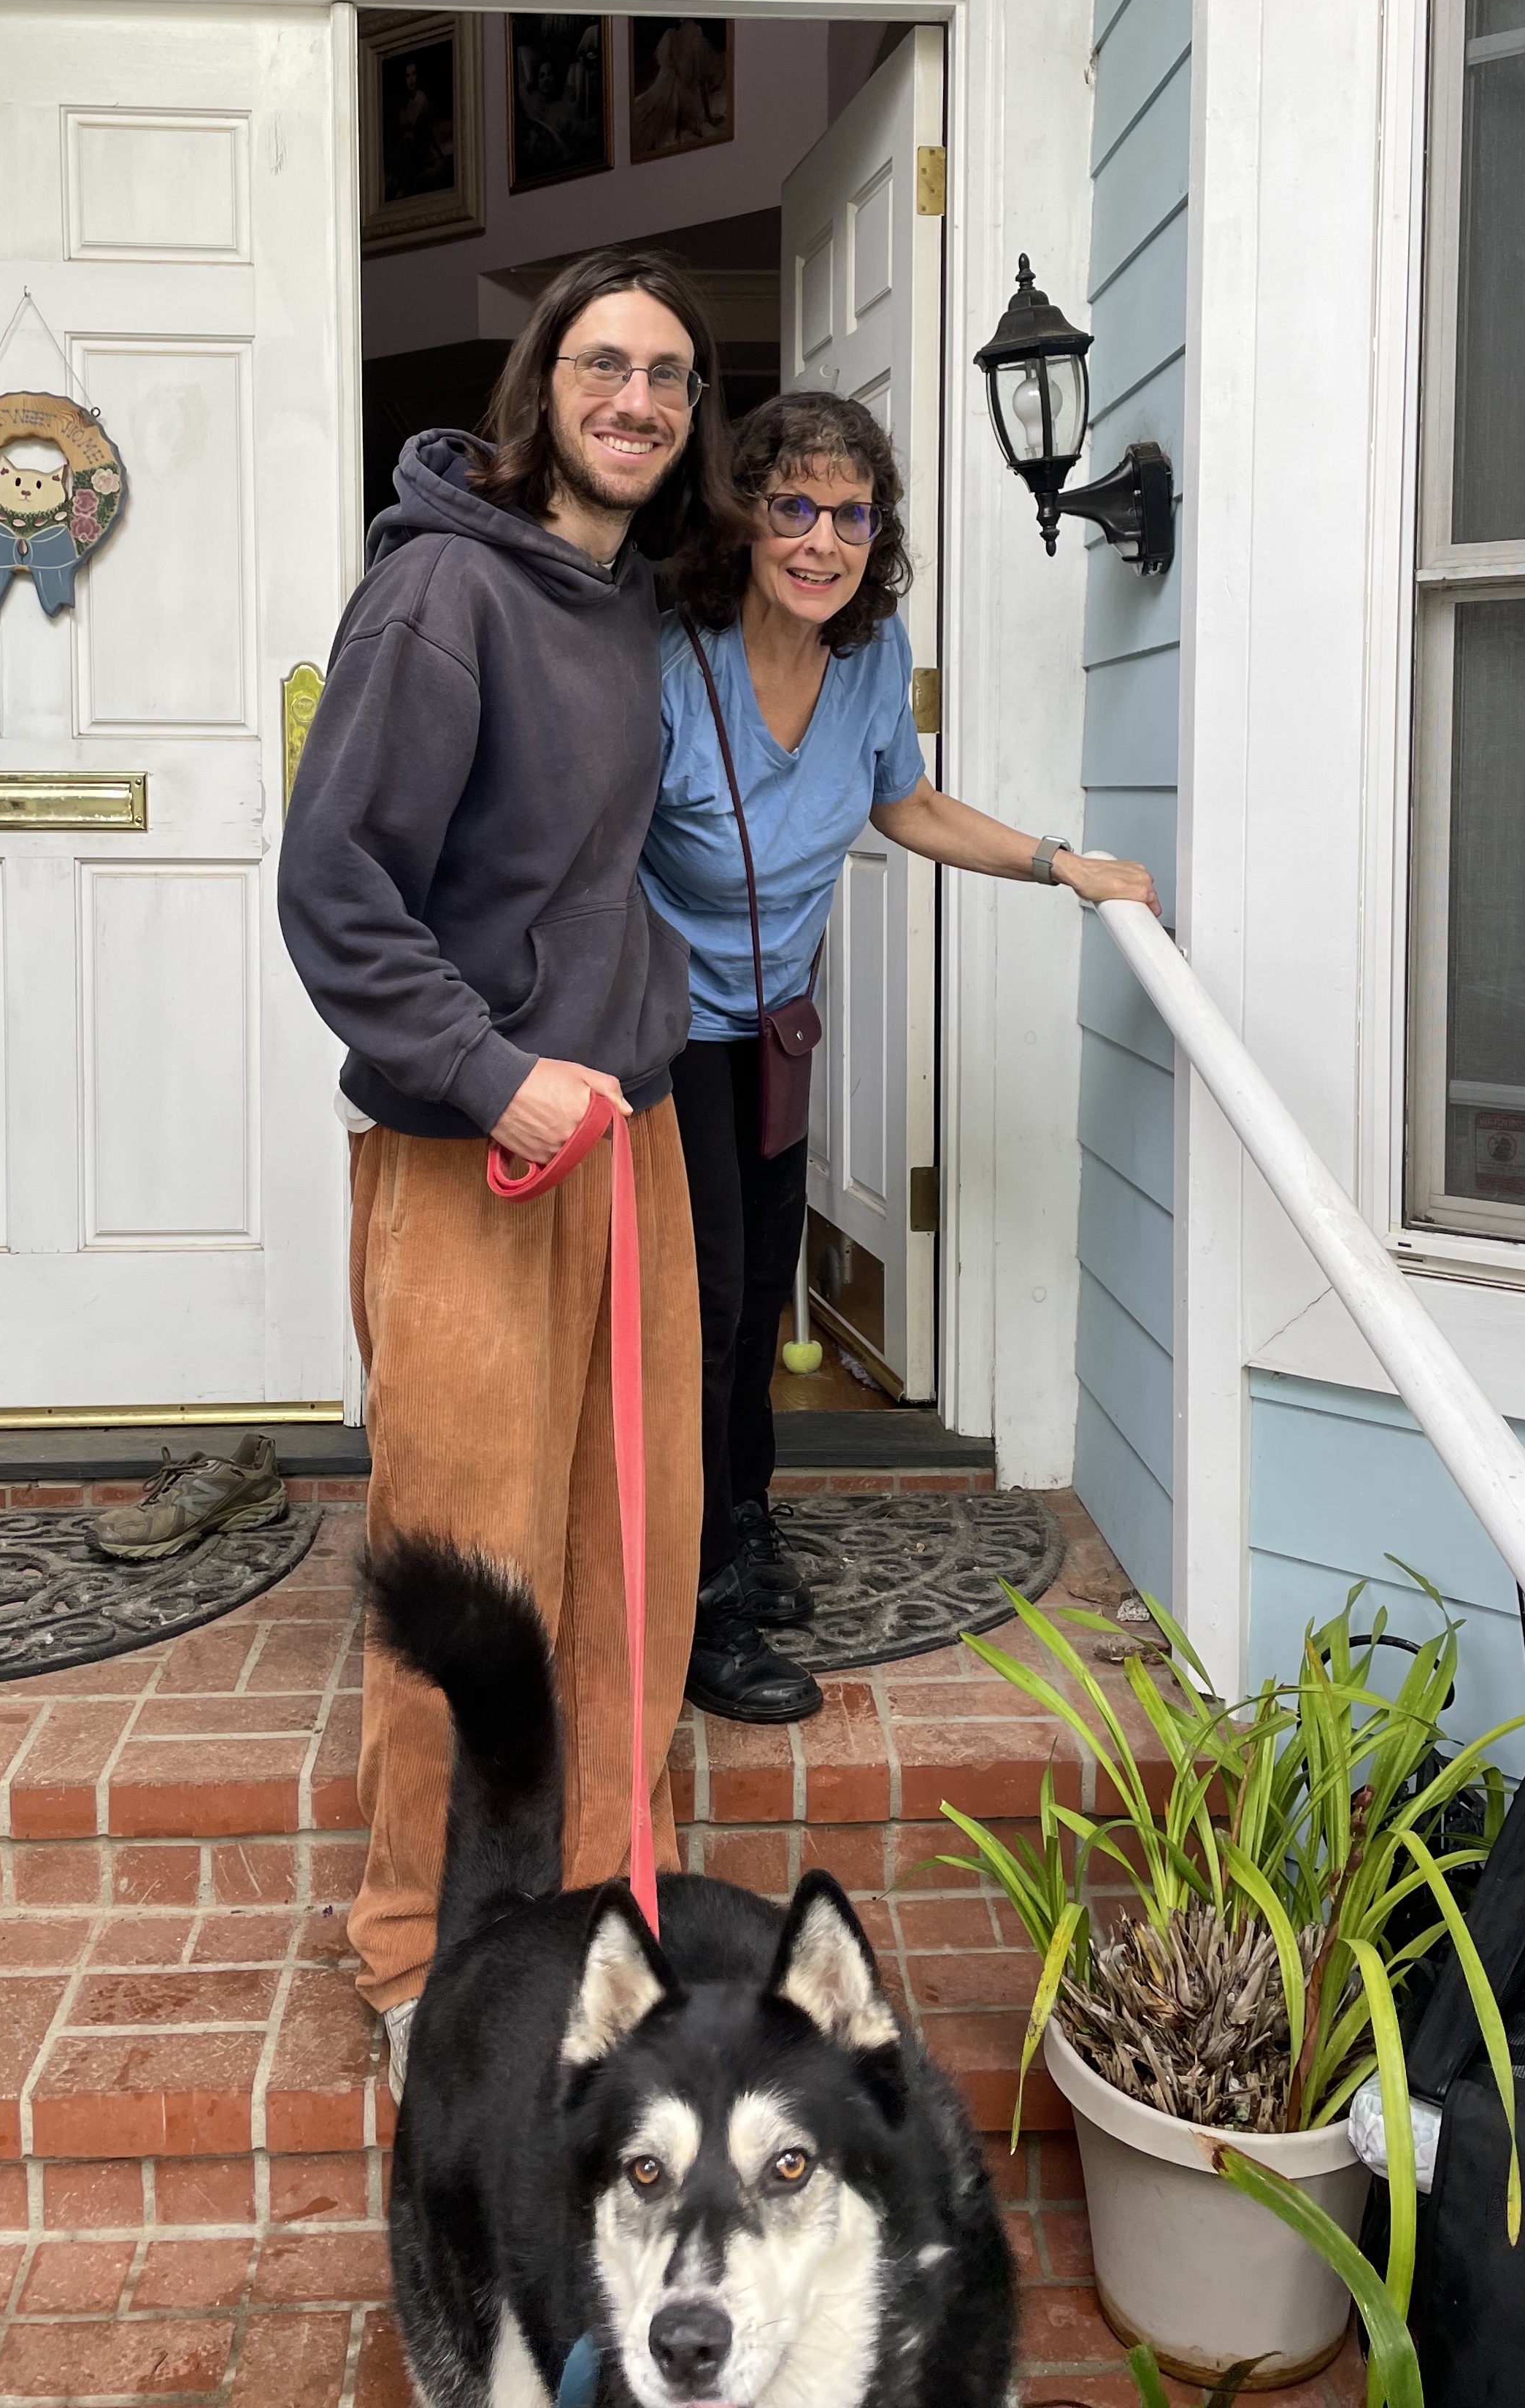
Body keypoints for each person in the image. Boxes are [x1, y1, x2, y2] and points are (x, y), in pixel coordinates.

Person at [277, 248, 737, 2085]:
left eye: (672, 376)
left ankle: (601, 1920)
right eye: (606, 364)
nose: (639, 399)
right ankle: (428, 1957)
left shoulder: (626, 606)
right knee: (474, 1574)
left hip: (631, 1140)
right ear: (543, 383)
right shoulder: (439, 595)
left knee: (635, 1557)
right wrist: (488, 1073)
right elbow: (335, 889)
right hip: (482, 1157)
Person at [641, 388, 1161, 1724]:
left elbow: (908, 803)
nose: (823, 541)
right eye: (794, 508)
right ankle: (691, 1608)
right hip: (659, 1032)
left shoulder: (871, 655)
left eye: (853, 515)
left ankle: (742, 1521)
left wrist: (1062, 865)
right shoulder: (667, 652)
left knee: (757, 1297)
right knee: (700, 1317)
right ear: (745, 519)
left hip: (774, 1024)